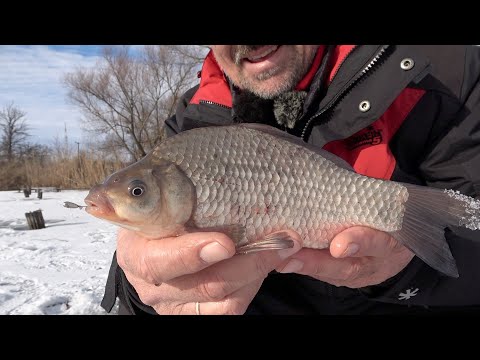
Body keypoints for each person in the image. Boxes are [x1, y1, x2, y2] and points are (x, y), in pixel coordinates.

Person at [100, 45, 480, 315]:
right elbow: (146, 283)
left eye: (137, 191)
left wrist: (406, 273)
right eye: (138, 191)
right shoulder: (193, 118)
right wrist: (142, 288)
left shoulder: (445, 72)